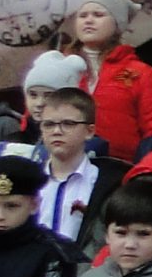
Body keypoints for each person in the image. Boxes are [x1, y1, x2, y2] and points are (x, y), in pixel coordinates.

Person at [63, 0, 152, 155]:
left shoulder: (140, 72)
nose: (89, 20)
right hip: (67, 162)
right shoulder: (60, 67)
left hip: (120, 167)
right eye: (82, 15)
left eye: (98, 15)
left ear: (118, 24)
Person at [28, 86, 127, 248]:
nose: (57, 131)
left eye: (68, 124)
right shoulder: (29, 181)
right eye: (49, 124)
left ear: (89, 131)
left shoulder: (107, 184)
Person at [15, 51, 87, 147]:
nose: (39, 103)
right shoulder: (14, 142)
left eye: (49, 96)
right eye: (33, 95)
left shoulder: (84, 145)